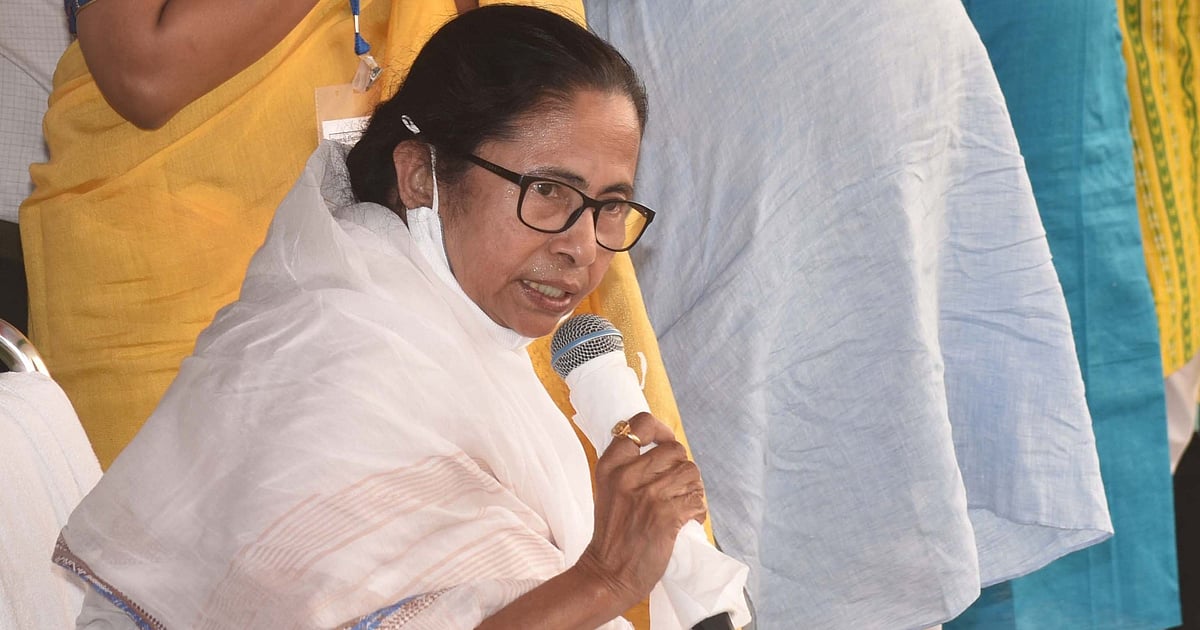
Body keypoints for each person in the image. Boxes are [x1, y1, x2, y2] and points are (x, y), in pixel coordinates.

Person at [54, 6, 746, 629]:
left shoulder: (451, 348)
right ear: (420, 176)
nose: (583, 246)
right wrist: (606, 578)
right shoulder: (338, 376)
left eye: (609, 207)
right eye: (547, 191)